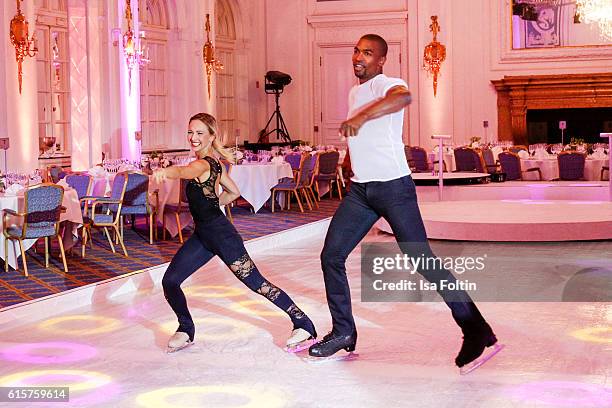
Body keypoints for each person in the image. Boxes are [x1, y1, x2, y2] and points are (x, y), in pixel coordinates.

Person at [308, 34, 500, 372]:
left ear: (381, 60)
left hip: (394, 188)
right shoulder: (354, 91)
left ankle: (476, 329)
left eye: (368, 53)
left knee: (422, 260)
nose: (359, 57)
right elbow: (361, 136)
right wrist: (351, 156)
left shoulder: (390, 84)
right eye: (356, 50)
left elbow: (402, 98)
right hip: (360, 191)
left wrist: (361, 117)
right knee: (331, 255)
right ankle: (343, 332)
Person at [155, 113, 317, 353]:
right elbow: (233, 191)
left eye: (200, 133)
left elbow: (184, 172)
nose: (193, 137)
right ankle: (186, 328)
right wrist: (212, 205)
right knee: (170, 281)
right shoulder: (216, 164)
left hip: (222, 237)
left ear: (211, 137)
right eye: (190, 132)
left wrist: (167, 172)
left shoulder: (202, 164)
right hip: (203, 236)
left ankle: (303, 322)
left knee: (256, 283)